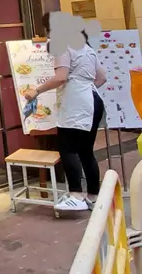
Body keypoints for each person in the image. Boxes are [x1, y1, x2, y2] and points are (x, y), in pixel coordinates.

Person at [24, 13, 107, 211]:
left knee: (67, 147)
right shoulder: (85, 46)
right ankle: (93, 197)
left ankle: (76, 195)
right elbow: (102, 78)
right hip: (94, 100)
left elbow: (61, 77)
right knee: (86, 151)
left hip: (76, 103)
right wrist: (85, 90)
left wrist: (36, 91)